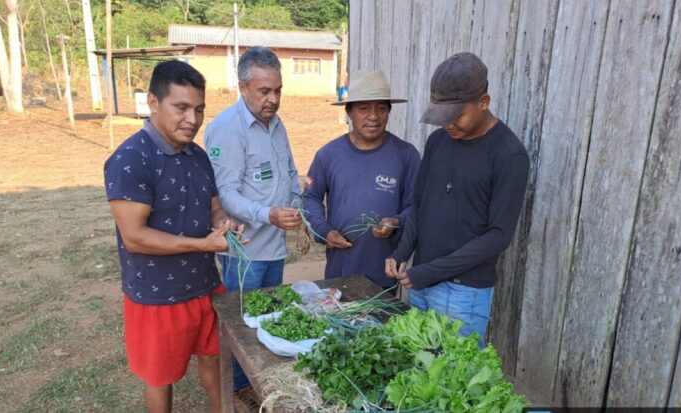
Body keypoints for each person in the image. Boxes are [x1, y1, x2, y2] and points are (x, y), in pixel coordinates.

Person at [104, 60, 244, 412]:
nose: (193, 120)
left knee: (215, 359)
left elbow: (215, 207)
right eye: (181, 107)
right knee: (160, 378)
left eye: (198, 109)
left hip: (204, 286)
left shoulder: (197, 155)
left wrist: (224, 223)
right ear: (153, 102)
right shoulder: (129, 159)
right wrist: (202, 244)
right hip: (156, 296)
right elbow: (135, 236)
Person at [385, 52, 530, 347]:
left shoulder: (509, 154)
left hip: (464, 295)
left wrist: (427, 271)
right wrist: (402, 252)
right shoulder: (438, 142)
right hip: (421, 284)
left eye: (456, 116)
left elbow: (498, 237)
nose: (447, 125)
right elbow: (419, 204)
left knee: (452, 381)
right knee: (416, 372)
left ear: (484, 102)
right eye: (441, 118)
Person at [203, 46, 302, 391]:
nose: (272, 99)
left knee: (268, 319)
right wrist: (268, 214)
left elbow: (289, 172)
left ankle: (261, 383)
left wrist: (297, 203)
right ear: (243, 88)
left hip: (274, 248)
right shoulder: (227, 129)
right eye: (264, 91)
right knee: (240, 324)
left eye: (277, 90)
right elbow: (225, 194)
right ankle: (240, 389)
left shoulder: (277, 124)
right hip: (243, 253)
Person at [303, 70, 420, 289]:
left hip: (384, 274)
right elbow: (310, 197)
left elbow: (416, 206)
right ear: (349, 112)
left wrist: (396, 222)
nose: (374, 117)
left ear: (389, 112)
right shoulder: (328, 154)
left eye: (381, 109)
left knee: (382, 322)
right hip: (339, 272)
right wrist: (325, 232)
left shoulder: (407, 155)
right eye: (364, 108)